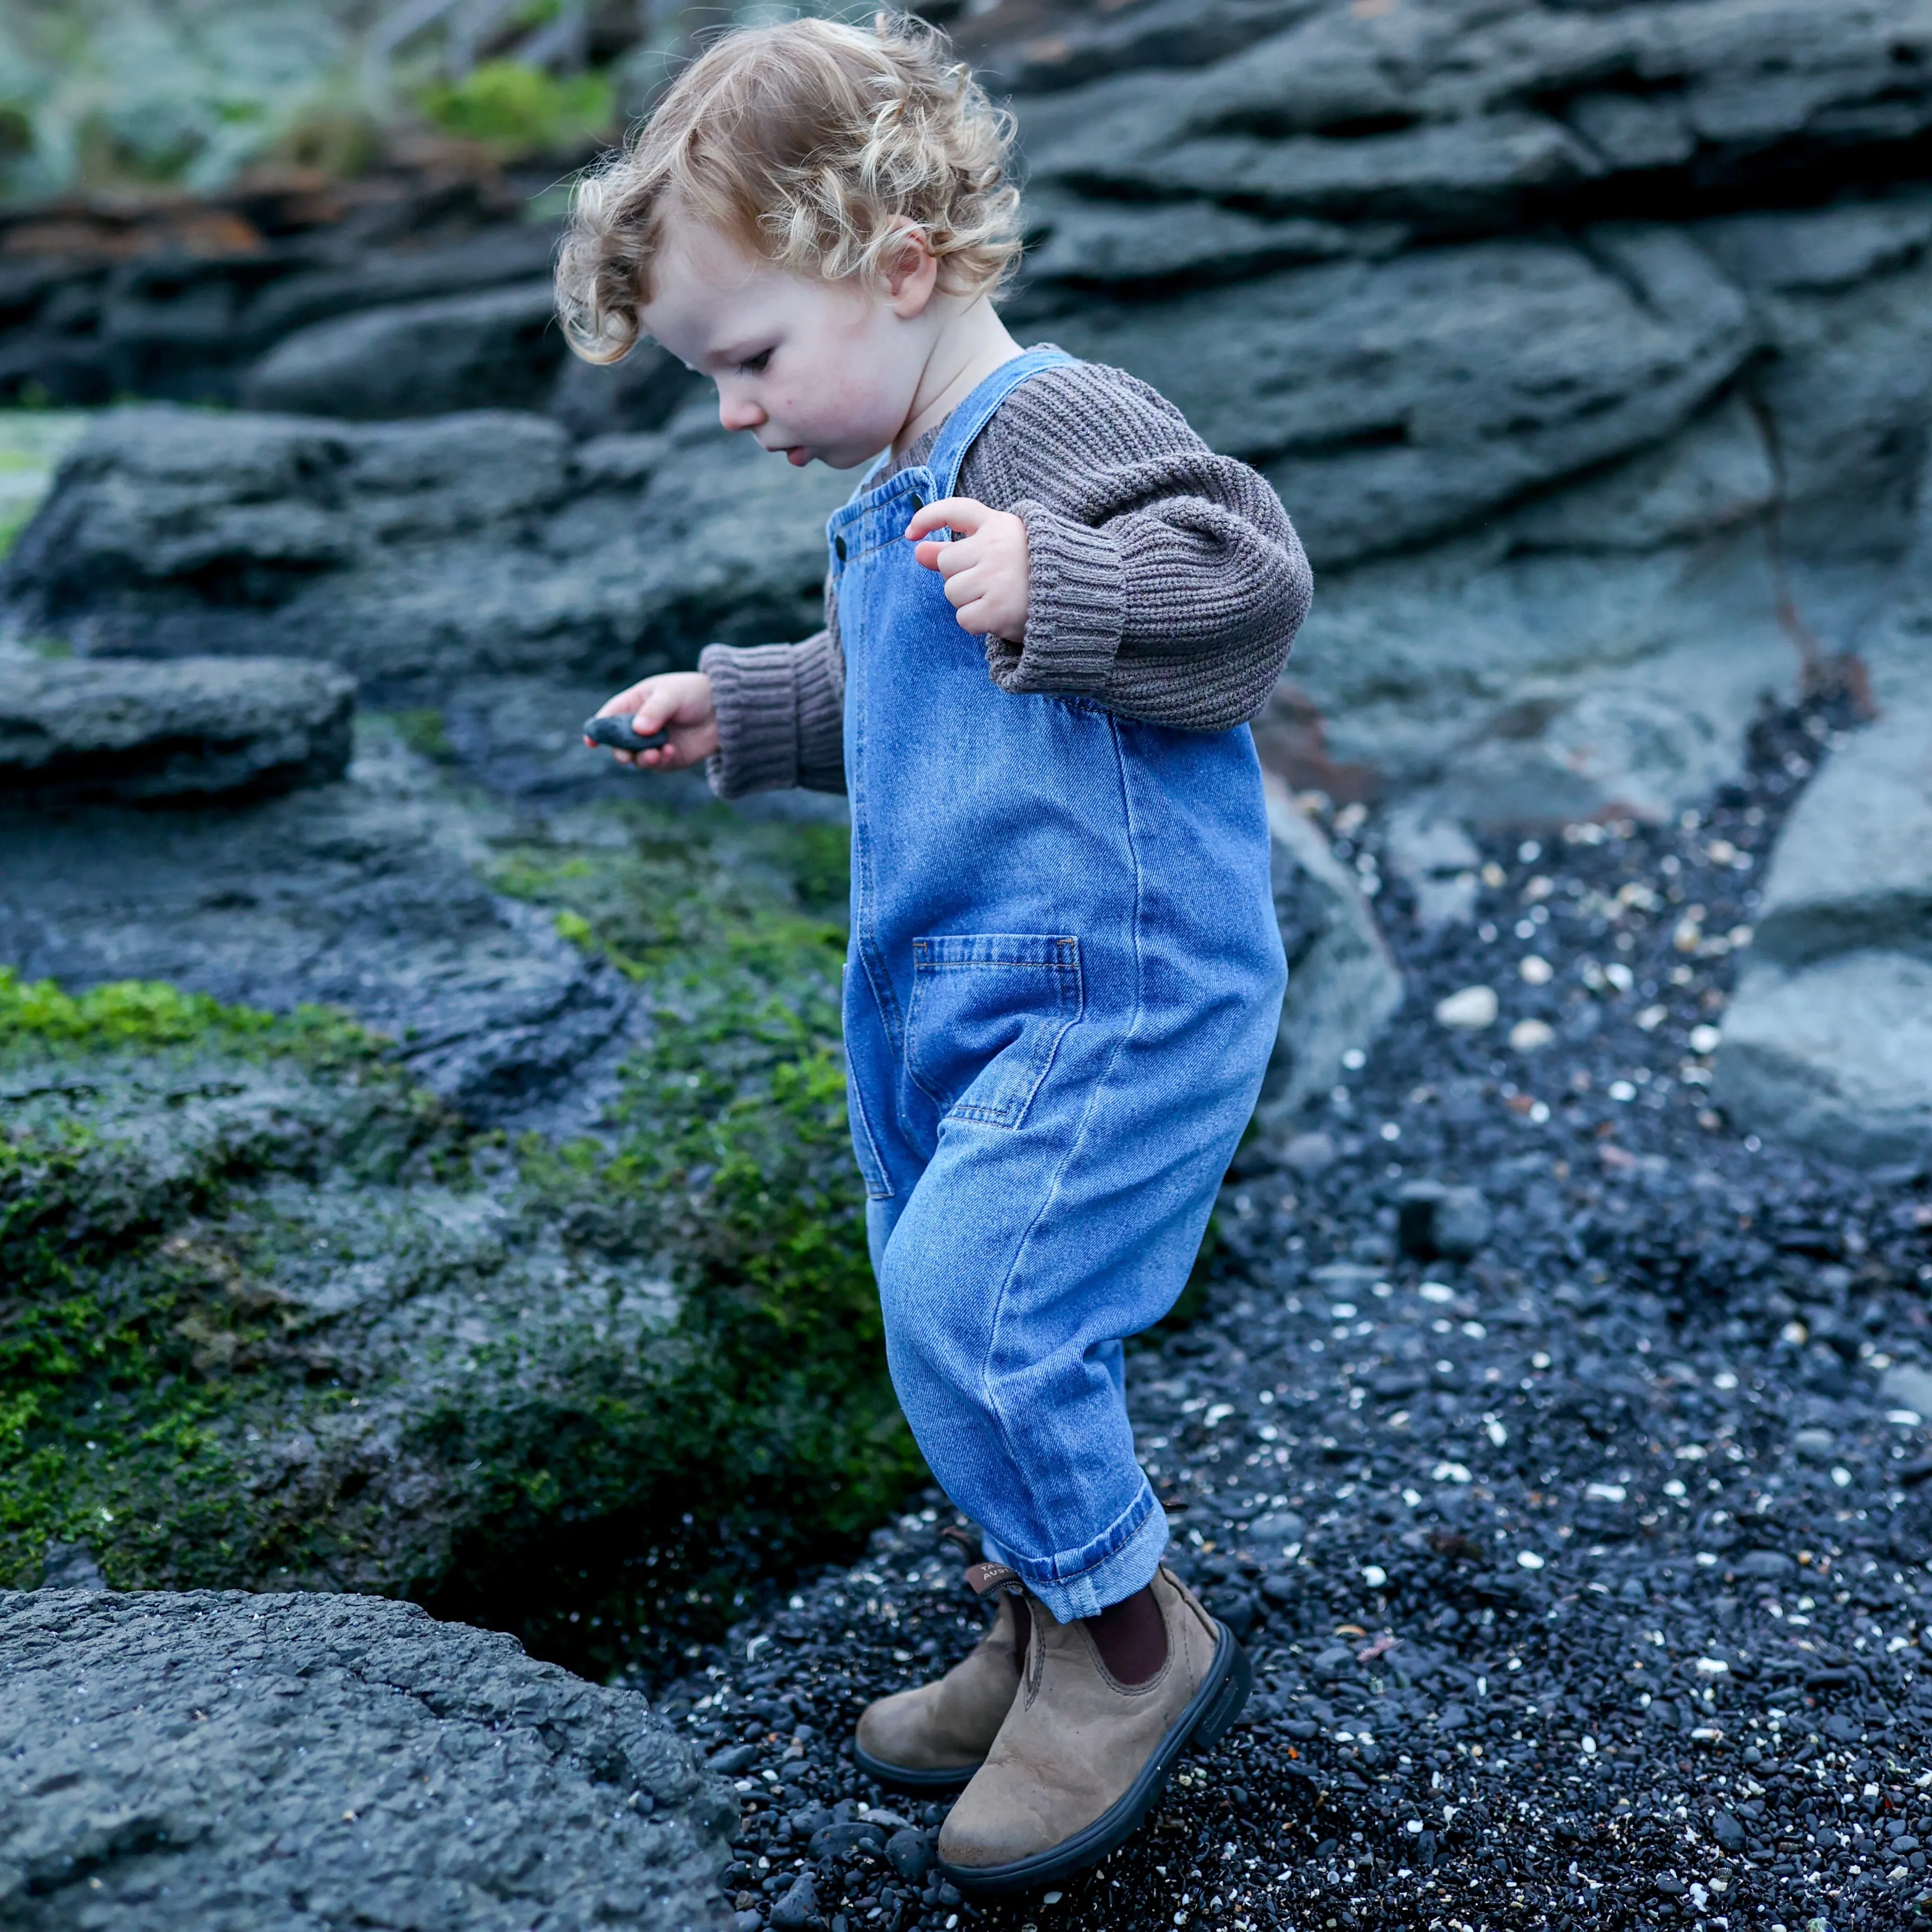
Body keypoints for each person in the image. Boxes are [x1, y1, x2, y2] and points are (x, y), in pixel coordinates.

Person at [556, 12, 1311, 1895]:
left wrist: (1071, 583)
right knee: (946, 1320)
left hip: (1119, 982)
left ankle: (1134, 1649)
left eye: (746, 357)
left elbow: (1251, 584)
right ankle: (1034, 1624)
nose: (732, 408)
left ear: (899, 268)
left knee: (987, 1309)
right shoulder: (892, 490)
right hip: (953, 991)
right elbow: (908, 698)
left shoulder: (1059, 422)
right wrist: (744, 713)